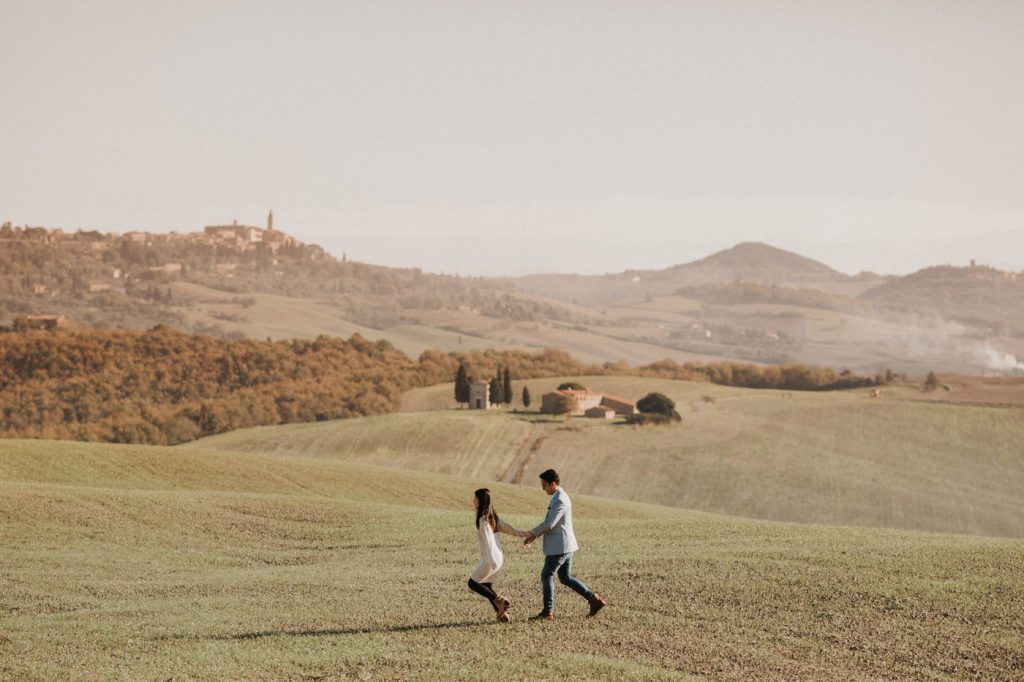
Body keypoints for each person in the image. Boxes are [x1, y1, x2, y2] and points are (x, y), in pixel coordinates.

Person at [524, 469, 606, 620]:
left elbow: (550, 524)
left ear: (553, 484)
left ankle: (548, 612)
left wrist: (533, 533)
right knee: (565, 578)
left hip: (560, 547)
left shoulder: (560, 499)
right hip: (564, 546)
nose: (543, 488)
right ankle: (594, 599)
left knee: (546, 575)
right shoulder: (558, 496)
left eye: (544, 485)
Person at [468, 487, 529, 623]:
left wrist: (491, 561)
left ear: (481, 501)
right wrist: (526, 534)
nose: (473, 501)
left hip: (491, 560)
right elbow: (511, 530)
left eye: (475, 498)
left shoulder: (483, 520)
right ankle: (502, 615)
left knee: (472, 583)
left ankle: (500, 600)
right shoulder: (493, 518)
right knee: (486, 586)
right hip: (498, 559)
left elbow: (489, 542)